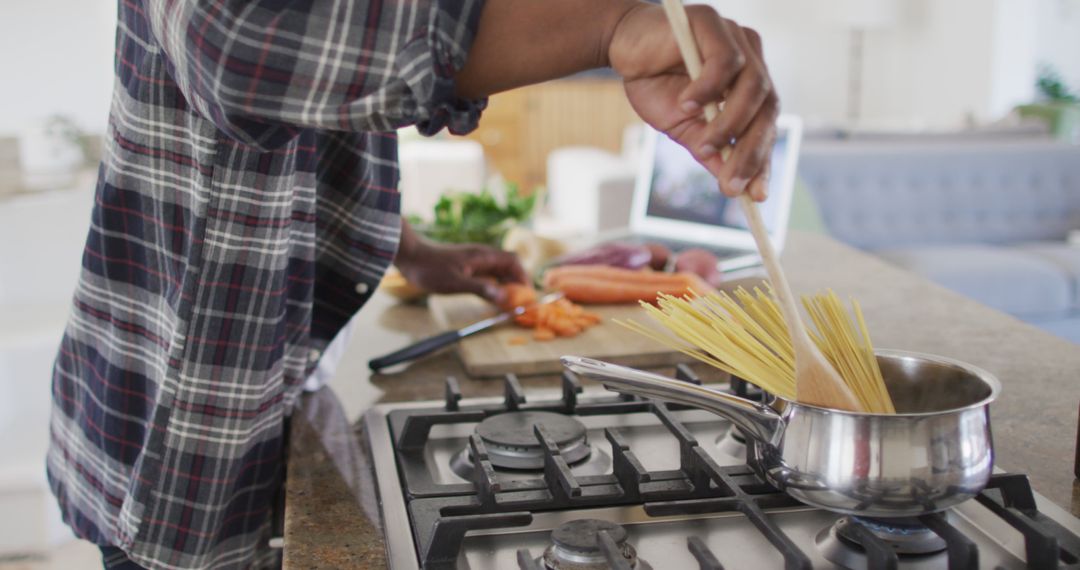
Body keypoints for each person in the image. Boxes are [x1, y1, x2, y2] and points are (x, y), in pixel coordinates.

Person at [46, 0, 779, 567]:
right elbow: (240, 48)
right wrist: (611, 23)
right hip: (180, 425)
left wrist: (413, 250)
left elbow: (312, 101)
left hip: (282, 379)